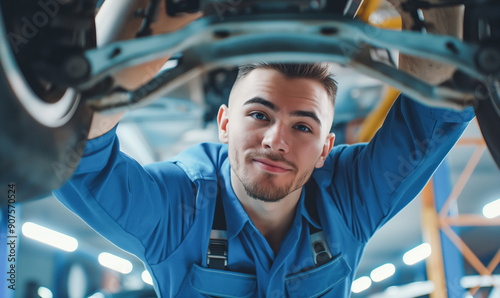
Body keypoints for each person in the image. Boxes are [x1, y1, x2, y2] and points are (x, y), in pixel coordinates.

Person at [53, 0, 475, 296]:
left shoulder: (349, 199)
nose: (276, 140)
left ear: (326, 148)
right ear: (224, 124)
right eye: (259, 115)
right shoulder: (178, 210)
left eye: (303, 126)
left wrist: (434, 13)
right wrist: (140, 39)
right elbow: (73, 157)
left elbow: (434, 114)